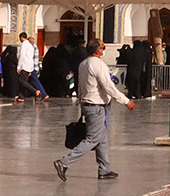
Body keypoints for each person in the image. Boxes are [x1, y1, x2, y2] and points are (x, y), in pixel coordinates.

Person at [53, 40, 133, 181]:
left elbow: (80, 86)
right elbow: (108, 86)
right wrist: (125, 100)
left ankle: (104, 169)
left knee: (102, 139)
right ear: (97, 50)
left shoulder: (83, 64)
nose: (104, 50)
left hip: (88, 103)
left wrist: (81, 101)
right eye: (103, 48)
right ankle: (64, 162)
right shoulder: (97, 64)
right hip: (95, 106)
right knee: (93, 139)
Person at [15, 32, 48, 102]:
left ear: (21, 38)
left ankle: (35, 91)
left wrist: (19, 66)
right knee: (23, 81)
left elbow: (22, 56)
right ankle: (21, 96)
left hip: (24, 65)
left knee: (22, 81)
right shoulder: (30, 46)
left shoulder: (24, 45)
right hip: (30, 65)